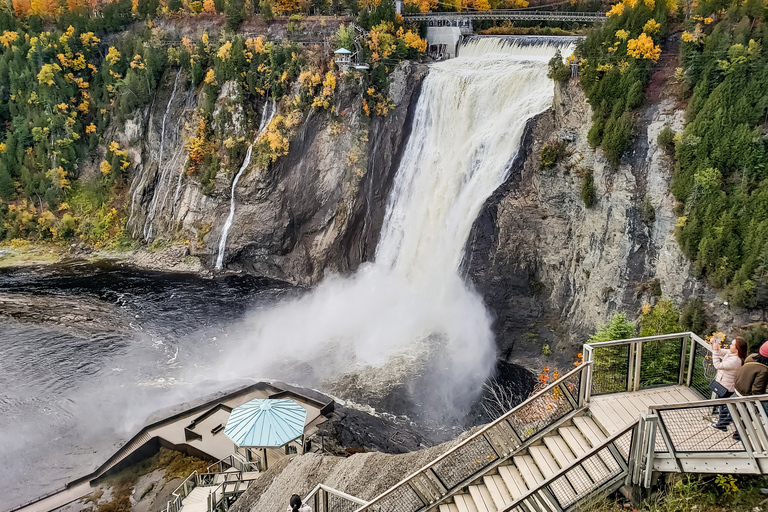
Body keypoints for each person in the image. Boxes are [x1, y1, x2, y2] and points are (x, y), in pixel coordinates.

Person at [729, 340, 768, 440]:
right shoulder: (763, 370)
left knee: (734, 410)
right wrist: (758, 402)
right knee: (749, 415)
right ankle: (738, 434)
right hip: (747, 395)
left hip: (738, 389)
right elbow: (757, 389)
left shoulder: (751, 357)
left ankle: (724, 424)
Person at [710, 336, 747, 430]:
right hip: (723, 384)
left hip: (726, 386)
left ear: (737, 349)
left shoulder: (735, 360)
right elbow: (721, 352)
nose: (730, 345)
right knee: (723, 405)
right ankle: (721, 424)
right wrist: (714, 345)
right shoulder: (733, 354)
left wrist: (715, 351)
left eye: (732, 344)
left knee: (724, 406)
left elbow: (717, 365)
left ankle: (722, 424)